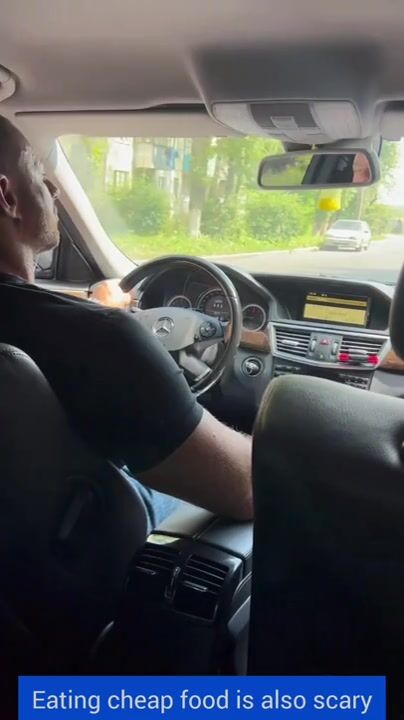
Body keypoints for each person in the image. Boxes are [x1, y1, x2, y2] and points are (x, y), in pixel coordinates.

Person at [0, 115, 253, 529]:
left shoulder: (85, 333)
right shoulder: (100, 339)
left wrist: (94, 311)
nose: (53, 188)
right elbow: (245, 488)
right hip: (82, 561)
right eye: (38, 172)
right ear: (7, 197)